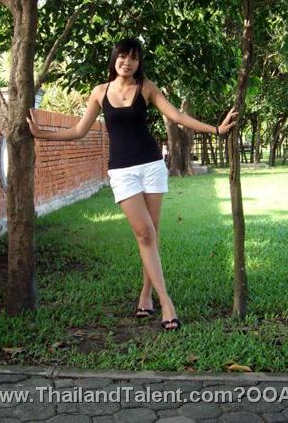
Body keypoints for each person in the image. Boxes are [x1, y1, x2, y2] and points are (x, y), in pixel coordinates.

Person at [26, 38, 238, 331]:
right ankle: (166, 302)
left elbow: (176, 116)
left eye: (134, 58)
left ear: (139, 63)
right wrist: (42, 134)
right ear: (115, 58)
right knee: (144, 233)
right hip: (122, 171)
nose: (127, 62)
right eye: (123, 56)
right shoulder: (100, 92)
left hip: (151, 166)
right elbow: (79, 130)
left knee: (151, 234)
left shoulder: (146, 88)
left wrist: (216, 129)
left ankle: (146, 295)